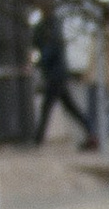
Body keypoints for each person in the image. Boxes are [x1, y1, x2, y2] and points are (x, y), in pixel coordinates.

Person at [33, 9, 95, 148]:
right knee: (69, 107)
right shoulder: (47, 26)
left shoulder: (52, 27)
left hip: (56, 75)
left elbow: (51, 51)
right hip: (56, 74)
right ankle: (91, 129)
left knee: (49, 107)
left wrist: (40, 61)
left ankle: (37, 139)